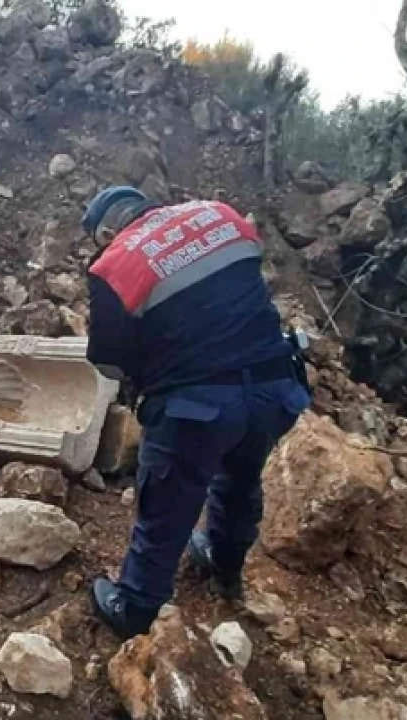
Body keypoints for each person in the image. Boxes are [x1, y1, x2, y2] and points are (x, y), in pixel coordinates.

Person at [81, 186, 311, 639]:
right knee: (241, 477)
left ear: (106, 232)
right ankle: (225, 565)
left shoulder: (113, 266)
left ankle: (136, 608)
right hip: (273, 386)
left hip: (197, 409)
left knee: (167, 503)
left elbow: (108, 362)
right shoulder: (222, 216)